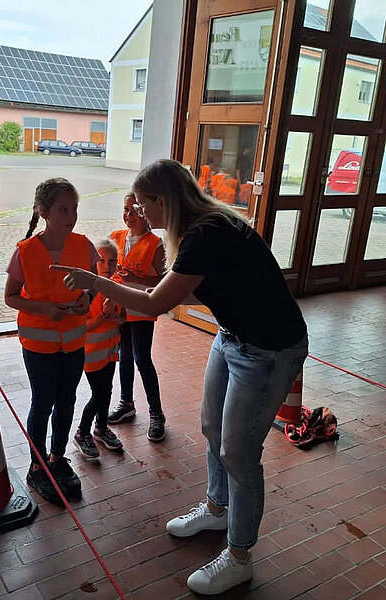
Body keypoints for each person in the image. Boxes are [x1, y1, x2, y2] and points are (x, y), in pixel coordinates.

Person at [52, 159, 308, 595]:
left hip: (268, 350)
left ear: (161, 200)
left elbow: (155, 305)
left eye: (141, 203)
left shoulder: (206, 233)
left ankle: (240, 555)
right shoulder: (204, 229)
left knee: (239, 454)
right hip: (233, 337)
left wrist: (96, 283)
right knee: (212, 428)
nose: (138, 211)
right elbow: (189, 289)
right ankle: (216, 506)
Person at [4, 177, 99, 506]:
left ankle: (57, 458)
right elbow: (11, 297)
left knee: (67, 399)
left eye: (74, 208)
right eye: (63, 209)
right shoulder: (25, 251)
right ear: (44, 212)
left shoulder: (83, 245)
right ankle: (37, 463)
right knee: (43, 402)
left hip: (73, 342)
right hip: (39, 345)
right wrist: (43, 308)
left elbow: (94, 283)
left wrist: (87, 297)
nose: (71, 216)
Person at [108, 193, 166, 442]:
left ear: (145, 213)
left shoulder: (156, 243)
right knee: (125, 355)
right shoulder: (115, 237)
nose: (128, 215)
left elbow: (163, 281)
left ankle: (156, 413)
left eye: (134, 210)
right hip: (120, 308)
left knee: (142, 358)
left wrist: (135, 279)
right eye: (125, 210)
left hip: (142, 307)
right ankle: (126, 403)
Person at [73, 238, 124, 460]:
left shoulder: (116, 288)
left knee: (107, 390)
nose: (109, 266)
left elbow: (123, 317)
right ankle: (82, 432)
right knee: (99, 393)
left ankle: (100, 428)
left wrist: (115, 316)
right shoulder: (87, 292)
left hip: (111, 351)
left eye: (113, 261)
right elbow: (82, 327)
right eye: (103, 261)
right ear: (93, 263)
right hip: (92, 354)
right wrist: (102, 316)